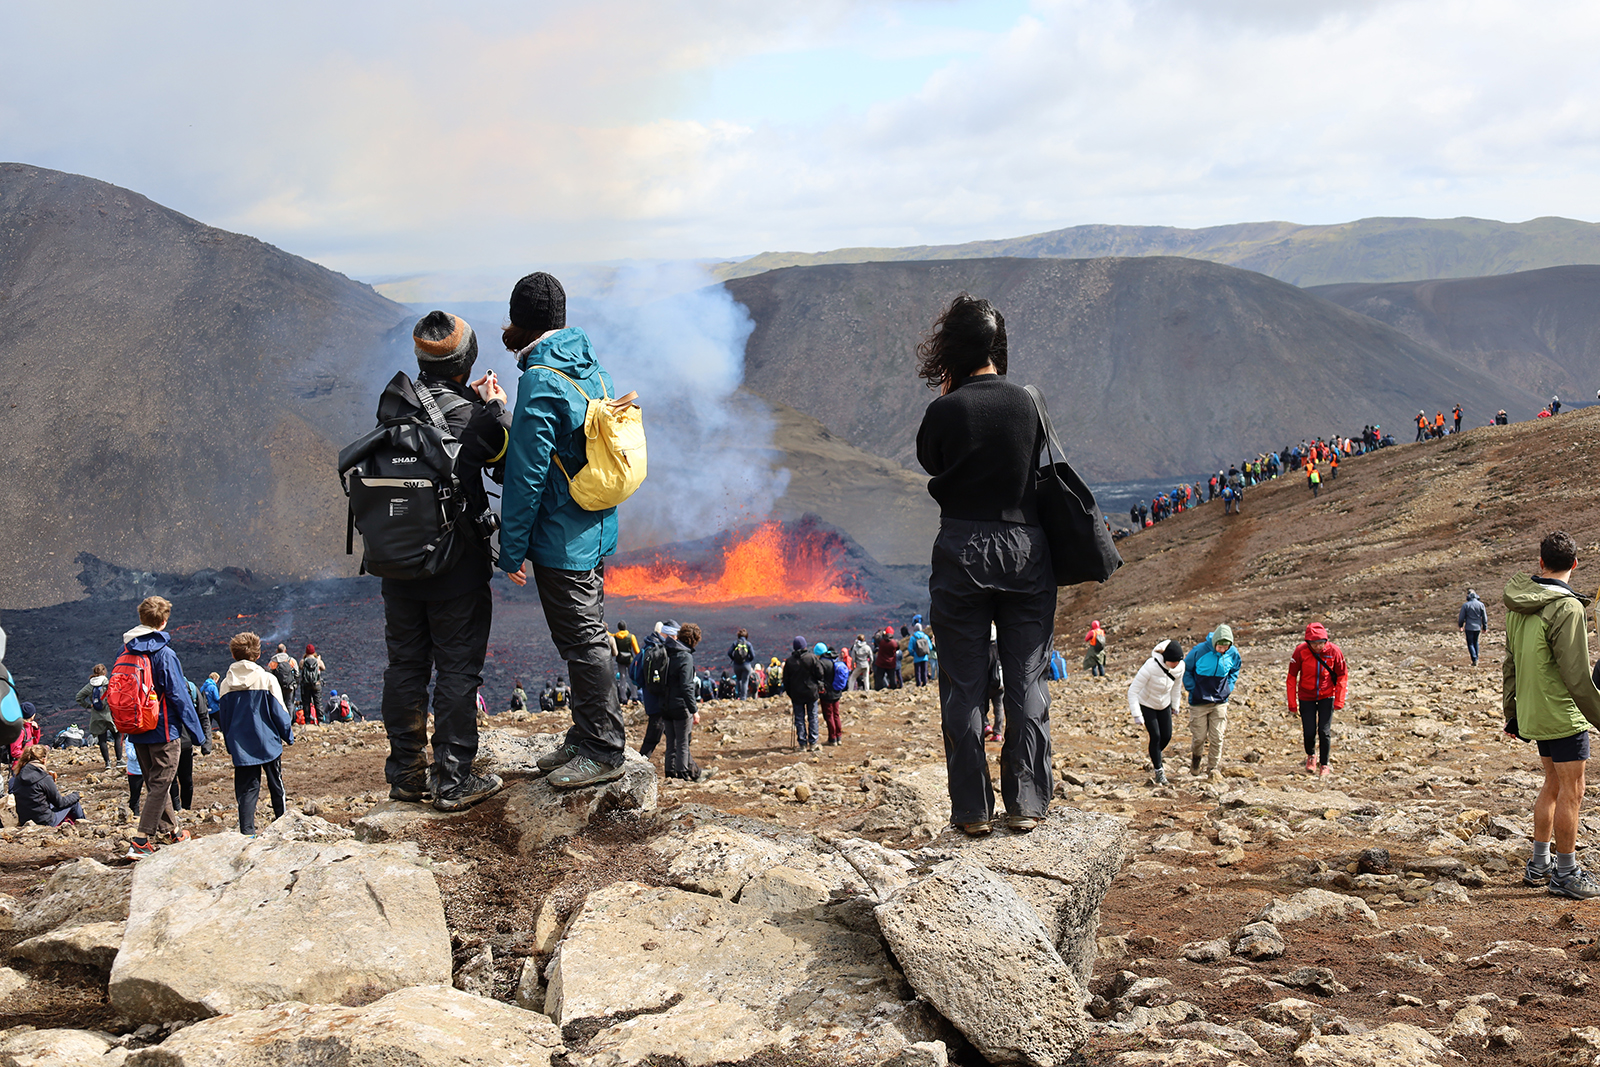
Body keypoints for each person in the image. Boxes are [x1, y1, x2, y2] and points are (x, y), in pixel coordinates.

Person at [915, 293, 1055, 835]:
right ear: (998, 346)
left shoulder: (944, 410)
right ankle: (1026, 802)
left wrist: (954, 399)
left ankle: (972, 810)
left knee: (965, 682)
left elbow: (932, 458)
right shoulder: (1029, 402)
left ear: (952, 348)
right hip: (1026, 548)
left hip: (962, 550)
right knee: (1026, 677)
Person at [497, 273, 629, 791]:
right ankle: (585, 733)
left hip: (561, 537)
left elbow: (527, 474)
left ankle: (603, 748)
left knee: (583, 641)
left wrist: (511, 552)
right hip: (594, 525)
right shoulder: (590, 366)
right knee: (585, 635)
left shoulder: (540, 380)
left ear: (520, 321)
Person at [377, 311, 512, 812]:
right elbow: (504, 460)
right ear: (468, 360)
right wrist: (494, 408)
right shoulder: (471, 416)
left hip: (398, 564)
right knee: (457, 672)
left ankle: (407, 774)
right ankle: (453, 780)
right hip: (455, 568)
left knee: (405, 669)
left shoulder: (393, 402)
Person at [1504, 531, 1600, 900]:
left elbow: (1509, 664)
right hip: (1562, 714)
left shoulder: (1519, 605)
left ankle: (1539, 864)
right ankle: (1565, 873)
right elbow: (1576, 676)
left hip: (1534, 710)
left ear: (1540, 562)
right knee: (1574, 791)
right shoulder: (1567, 607)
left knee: (1553, 785)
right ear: (1575, 564)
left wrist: (1512, 714)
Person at [117, 596, 205, 858]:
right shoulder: (164, 654)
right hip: (163, 730)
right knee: (161, 783)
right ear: (164, 622)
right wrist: (198, 733)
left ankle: (173, 831)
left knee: (156, 783)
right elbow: (178, 695)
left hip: (136, 730)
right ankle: (141, 840)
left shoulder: (126, 651)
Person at [216, 632, 295, 836]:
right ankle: (282, 823)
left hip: (241, 746)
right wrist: (288, 735)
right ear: (257, 655)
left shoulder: (225, 685)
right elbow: (279, 712)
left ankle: (247, 831)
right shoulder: (266, 679)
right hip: (268, 742)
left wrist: (229, 744)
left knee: (246, 790)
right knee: (276, 784)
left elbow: (224, 719)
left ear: (234, 655)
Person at [1286, 622, 1347, 777]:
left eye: (1321, 643)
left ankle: (1325, 764)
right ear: (1308, 642)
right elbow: (1292, 677)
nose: (1318, 647)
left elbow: (1341, 675)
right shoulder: (1300, 651)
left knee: (1324, 731)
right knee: (1309, 730)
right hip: (1306, 696)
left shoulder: (1334, 651)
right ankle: (1311, 756)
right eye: (1314, 644)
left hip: (1327, 695)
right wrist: (1292, 703)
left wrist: (1339, 700)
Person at [1182, 625, 1241, 783]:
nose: (1223, 650)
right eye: (1220, 646)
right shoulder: (1199, 651)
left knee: (1217, 736)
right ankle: (1195, 762)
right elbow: (1186, 670)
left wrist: (1229, 687)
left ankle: (1212, 770)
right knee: (1199, 737)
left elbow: (1235, 669)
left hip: (1220, 701)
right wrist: (1192, 689)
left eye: (1226, 647)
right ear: (1214, 642)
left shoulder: (1233, 653)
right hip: (1199, 702)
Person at [1128, 641, 1185, 786]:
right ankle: (1159, 772)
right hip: (1147, 704)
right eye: (1173, 661)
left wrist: (1175, 705)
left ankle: (1154, 755)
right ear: (1165, 659)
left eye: (1178, 661)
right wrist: (1137, 714)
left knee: (1166, 736)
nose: (1175, 664)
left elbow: (1177, 686)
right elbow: (1133, 691)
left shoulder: (1180, 667)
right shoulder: (1150, 666)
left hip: (1164, 704)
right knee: (1156, 736)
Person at [660, 623, 712, 782]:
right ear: (693, 640)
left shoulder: (666, 651)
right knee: (683, 741)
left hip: (665, 704)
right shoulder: (685, 657)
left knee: (670, 741)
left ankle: (670, 773)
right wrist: (694, 709)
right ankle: (682, 775)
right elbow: (687, 686)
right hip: (680, 706)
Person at [11, 746, 85, 827]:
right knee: (74, 803)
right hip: (44, 821)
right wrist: (76, 795)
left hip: (24, 820)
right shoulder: (44, 778)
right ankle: (83, 825)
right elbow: (60, 803)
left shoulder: (17, 777)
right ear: (43, 759)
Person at [783, 637, 825, 752]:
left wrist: (790, 693)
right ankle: (813, 742)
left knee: (799, 719)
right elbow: (820, 673)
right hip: (811, 692)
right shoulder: (811, 658)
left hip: (796, 694)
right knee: (813, 716)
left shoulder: (790, 661)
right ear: (805, 646)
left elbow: (786, 680)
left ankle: (802, 744)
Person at [76, 664, 120, 770]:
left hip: (96, 716)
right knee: (118, 736)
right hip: (110, 714)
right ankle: (119, 761)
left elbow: (79, 697)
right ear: (105, 672)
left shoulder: (90, 685)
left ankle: (107, 763)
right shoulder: (108, 683)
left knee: (102, 739)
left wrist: (89, 705)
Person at [817, 643, 845, 745]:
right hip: (837, 691)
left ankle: (832, 738)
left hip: (827, 694)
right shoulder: (835, 659)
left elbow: (819, 677)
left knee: (829, 715)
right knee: (836, 715)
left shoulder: (822, 663)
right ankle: (839, 737)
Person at [268, 645, 300, 722]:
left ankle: (279, 721)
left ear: (277, 651)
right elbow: (297, 673)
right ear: (285, 650)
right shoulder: (291, 660)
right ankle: (289, 721)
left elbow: (269, 673)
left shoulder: (273, 661)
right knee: (289, 704)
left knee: (278, 704)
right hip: (289, 686)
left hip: (277, 686)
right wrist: (295, 683)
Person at [1459, 589, 1489, 667]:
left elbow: (1461, 617)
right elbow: (1484, 617)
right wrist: (1485, 626)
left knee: (1470, 643)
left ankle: (1474, 659)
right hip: (1478, 627)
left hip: (1469, 627)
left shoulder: (1466, 605)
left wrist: (1461, 625)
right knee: (1475, 642)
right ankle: (1477, 658)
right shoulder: (1481, 605)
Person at [299, 644, 326, 725]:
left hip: (306, 684)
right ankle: (320, 720)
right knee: (318, 702)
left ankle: (307, 720)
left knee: (306, 702)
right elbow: (323, 668)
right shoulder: (317, 661)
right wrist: (318, 660)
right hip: (316, 684)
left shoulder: (303, 661)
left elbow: (300, 667)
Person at [727, 628, 757, 700]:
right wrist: (748, 660)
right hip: (746, 665)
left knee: (738, 679)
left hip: (737, 665)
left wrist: (734, 659)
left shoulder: (735, 643)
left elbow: (729, 652)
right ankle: (743, 698)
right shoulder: (748, 644)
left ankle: (738, 696)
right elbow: (753, 655)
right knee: (745, 681)